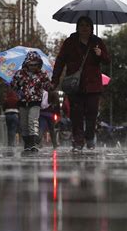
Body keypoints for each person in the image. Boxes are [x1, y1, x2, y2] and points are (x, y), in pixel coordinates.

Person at [52, 16, 110, 152]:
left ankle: (89, 137)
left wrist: (100, 54)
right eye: (82, 25)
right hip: (75, 86)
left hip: (93, 86)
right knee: (76, 115)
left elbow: (108, 60)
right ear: (77, 28)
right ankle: (78, 140)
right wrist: (55, 80)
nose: (84, 28)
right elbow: (60, 62)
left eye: (87, 26)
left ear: (91, 28)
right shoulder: (70, 42)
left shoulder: (97, 42)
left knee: (92, 114)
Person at [11, 51, 52, 152]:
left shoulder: (42, 75)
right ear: (27, 63)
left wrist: (49, 86)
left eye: (35, 64)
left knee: (32, 121)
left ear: (39, 64)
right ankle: (27, 143)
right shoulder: (20, 74)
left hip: (35, 101)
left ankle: (34, 143)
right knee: (24, 124)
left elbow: (48, 86)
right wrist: (18, 85)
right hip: (23, 102)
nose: (33, 66)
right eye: (31, 64)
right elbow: (13, 85)